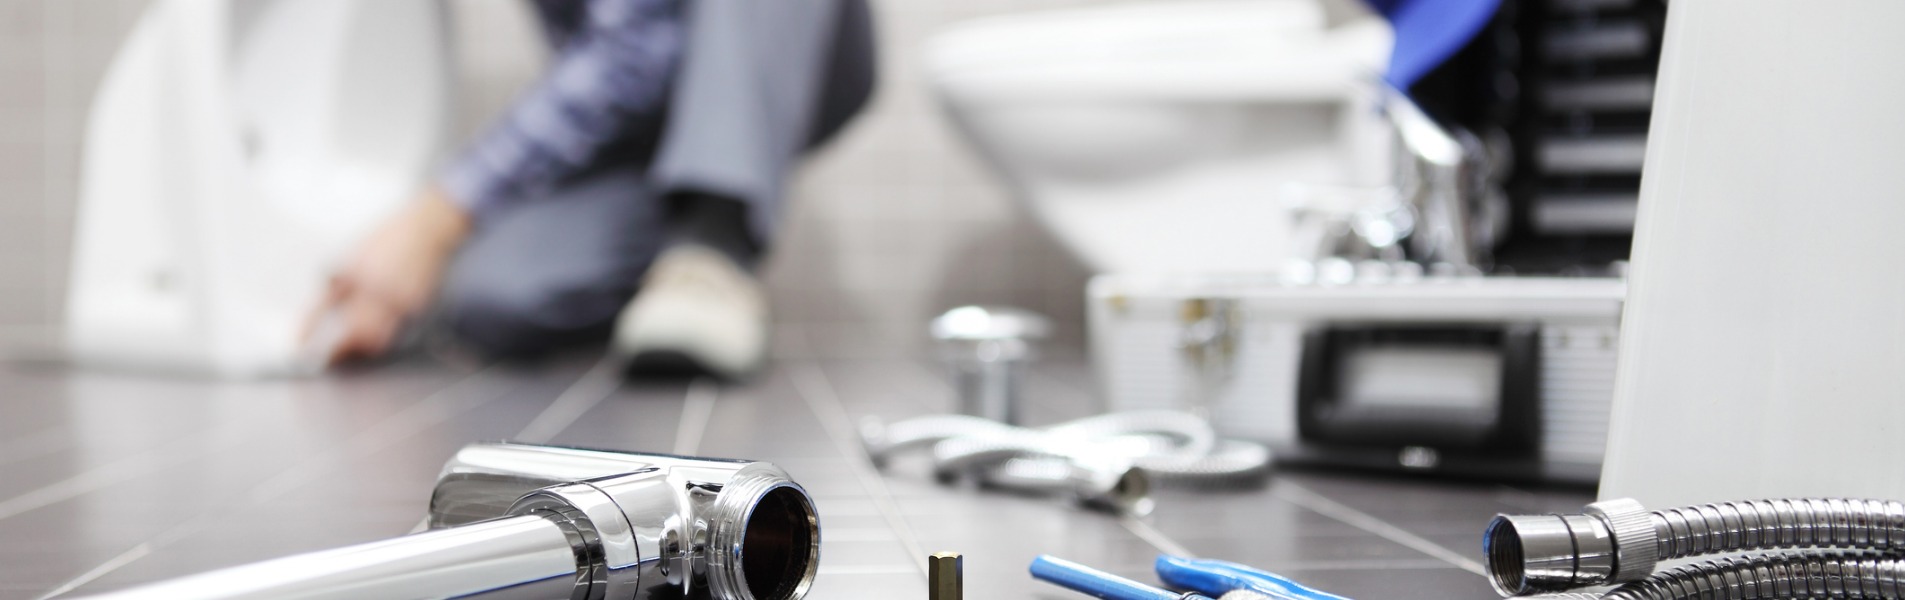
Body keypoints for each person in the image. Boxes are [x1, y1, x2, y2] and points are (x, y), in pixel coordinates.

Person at [308, 0, 876, 379]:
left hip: (782, 34)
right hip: (644, 125)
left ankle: (713, 246)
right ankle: (678, 262)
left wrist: (436, 217)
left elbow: (634, 48)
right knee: (496, 297)